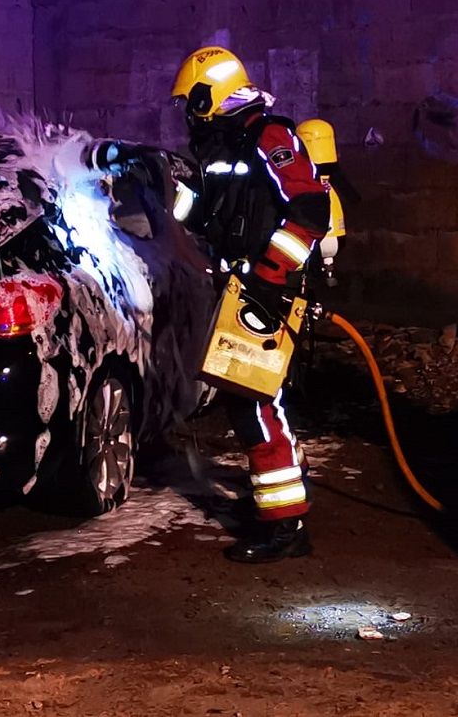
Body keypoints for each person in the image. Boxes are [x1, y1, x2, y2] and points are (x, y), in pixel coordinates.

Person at [167, 46, 332, 562]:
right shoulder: (225, 146)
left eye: (191, 103)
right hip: (245, 287)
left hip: (267, 291)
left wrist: (271, 275)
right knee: (258, 400)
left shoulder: (270, 137)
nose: (188, 115)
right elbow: (209, 215)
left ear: (207, 95)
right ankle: (281, 505)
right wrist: (160, 198)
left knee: (255, 402)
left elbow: (309, 209)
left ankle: (285, 525)